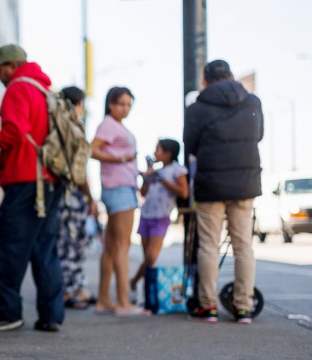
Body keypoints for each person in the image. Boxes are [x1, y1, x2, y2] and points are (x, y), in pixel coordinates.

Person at [0, 44, 65, 332]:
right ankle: (51, 315)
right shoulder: (44, 89)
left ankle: (7, 312)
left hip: (26, 180)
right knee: (43, 246)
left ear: (11, 65)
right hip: (50, 179)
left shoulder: (17, 88)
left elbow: (13, 129)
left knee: (3, 243)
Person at [183, 59, 263, 324]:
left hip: (211, 184)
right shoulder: (252, 102)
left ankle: (208, 306)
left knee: (208, 244)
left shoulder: (196, 108)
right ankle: (243, 307)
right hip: (244, 183)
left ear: (205, 81)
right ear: (231, 76)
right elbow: (258, 135)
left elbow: (190, 145)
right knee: (243, 246)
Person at [90, 86, 149, 316]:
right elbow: (92, 151)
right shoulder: (108, 124)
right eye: (121, 104)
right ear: (111, 104)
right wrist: (121, 157)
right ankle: (124, 303)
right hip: (120, 189)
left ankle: (104, 300)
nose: (126, 109)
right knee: (122, 247)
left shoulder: (114, 125)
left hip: (117, 187)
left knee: (112, 247)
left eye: (129, 104)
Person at [130, 139, 189, 292]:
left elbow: (183, 192)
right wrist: (148, 177)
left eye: (158, 150)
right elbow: (142, 193)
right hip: (145, 215)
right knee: (147, 260)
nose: (155, 153)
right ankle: (148, 293)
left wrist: (163, 181)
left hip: (161, 217)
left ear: (168, 153)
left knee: (151, 257)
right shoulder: (155, 170)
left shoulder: (177, 170)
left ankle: (135, 280)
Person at [57, 86, 97, 309]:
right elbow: (79, 172)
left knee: (62, 244)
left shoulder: (55, 124)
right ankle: (70, 291)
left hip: (57, 196)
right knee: (73, 245)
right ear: (79, 104)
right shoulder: (73, 128)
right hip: (71, 196)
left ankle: (72, 288)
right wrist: (91, 198)